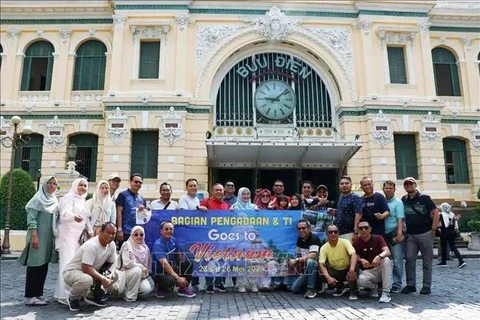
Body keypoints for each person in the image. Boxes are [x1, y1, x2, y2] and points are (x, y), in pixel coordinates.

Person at [18, 176, 59, 306]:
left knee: (43, 265)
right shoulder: (37, 199)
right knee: (34, 264)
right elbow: (32, 218)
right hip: (38, 236)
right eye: (49, 183)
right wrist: (34, 236)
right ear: (44, 185)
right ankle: (30, 296)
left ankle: (38, 294)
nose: (52, 186)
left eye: (54, 184)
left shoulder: (53, 200)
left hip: (48, 238)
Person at [63, 222, 118, 312]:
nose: (111, 236)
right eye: (108, 232)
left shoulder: (111, 244)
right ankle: (72, 298)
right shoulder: (91, 246)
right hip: (72, 272)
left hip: (90, 271)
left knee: (115, 275)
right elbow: (86, 268)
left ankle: (92, 297)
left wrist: (110, 274)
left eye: (113, 233)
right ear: (101, 232)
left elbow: (113, 262)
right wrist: (103, 279)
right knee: (87, 279)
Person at [401, 177, 440, 295]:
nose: (409, 186)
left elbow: (436, 213)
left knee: (427, 261)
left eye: (411, 184)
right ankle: (411, 284)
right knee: (409, 260)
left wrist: (433, 229)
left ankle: (426, 286)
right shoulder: (404, 199)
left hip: (425, 233)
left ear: (415, 185)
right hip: (410, 235)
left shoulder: (425, 198)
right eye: (406, 184)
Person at [54, 178, 89, 305]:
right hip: (67, 237)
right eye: (80, 185)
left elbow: (86, 219)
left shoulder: (83, 201)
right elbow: (65, 213)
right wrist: (74, 216)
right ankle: (64, 295)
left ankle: (72, 293)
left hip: (78, 238)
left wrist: (89, 231)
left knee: (75, 267)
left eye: (85, 186)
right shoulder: (69, 197)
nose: (83, 188)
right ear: (75, 185)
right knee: (66, 265)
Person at [152, 221, 196, 299]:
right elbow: (164, 263)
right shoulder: (158, 244)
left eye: (171, 229)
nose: (169, 231)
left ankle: (183, 288)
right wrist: (178, 278)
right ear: (161, 231)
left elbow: (179, 254)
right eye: (166, 229)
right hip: (160, 271)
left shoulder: (173, 240)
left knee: (187, 263)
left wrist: (182, 272)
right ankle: (160, 288)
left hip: (172, 266)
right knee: (170, 280)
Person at [353, 220, 392, 303]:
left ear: (370, 229)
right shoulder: (356, 242)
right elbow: (353, 256)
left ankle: (386, 292)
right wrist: (360, 260)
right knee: (360, 280)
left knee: (386, 260)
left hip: (380, 268)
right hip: (368, 271)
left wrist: (379, 257)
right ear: (358, 230)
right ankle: (374, 287)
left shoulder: (378, 238)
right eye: (361, 228)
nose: (363, 230)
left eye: (366, 227)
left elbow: (387, 251)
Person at [200, 183, 229, 293]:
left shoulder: (226, 205)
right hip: (208, 237)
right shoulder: (206, 202)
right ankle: (209, 284)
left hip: (221, 237)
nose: (218, 192)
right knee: (208, 260)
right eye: (216, 190)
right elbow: (196, 214)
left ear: (223, 192)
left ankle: (218, 283)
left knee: (221, 259)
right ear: (212, 192)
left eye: (220, 190)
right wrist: (200, 208)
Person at [111, 225, 153, 301]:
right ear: (131, 235)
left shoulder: (145, 248)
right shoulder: (127, 245)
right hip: (126, 272)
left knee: (146, 290)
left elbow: (148, 266)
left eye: (141, 234)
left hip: (141, 276)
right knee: (137, 270)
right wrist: (140, 266)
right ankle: (130, 296)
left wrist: (146, 274)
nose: (139, 236)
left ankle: (129, 291)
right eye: (136, 234)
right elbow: (127, 263)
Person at [319, 224, 358, 300]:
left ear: (338, 233)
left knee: (354, 266)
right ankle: (339, 287)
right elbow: (321, 264)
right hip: (335, 270)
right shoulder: (324, 247)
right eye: (330, 232)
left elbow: (353, 254)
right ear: (327, 234)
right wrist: (328, 278)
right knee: (321, 274)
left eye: (335, 232)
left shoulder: (345, 242)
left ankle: (353, 290)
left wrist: (352, 269)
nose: (333, 234)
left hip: (347, 268)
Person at [382, 180, 405, 293]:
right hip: (383, 235)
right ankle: (384, 282)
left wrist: (400, 234)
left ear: (394, 189)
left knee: (397, 260)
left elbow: (400, 219)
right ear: (383, 189)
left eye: (391, 188)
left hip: (394, 233)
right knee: (384, 260)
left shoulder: (398, 202)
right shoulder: (381, 201)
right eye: (386, 188)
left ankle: (397, 283)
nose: (388, 190)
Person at [289, 220, 321, 299]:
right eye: (299, 228)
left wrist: (296, 260)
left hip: (318, 269)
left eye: (303, 228)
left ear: (309, 229)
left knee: (310, 261)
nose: (301, 230)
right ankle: (317, 286)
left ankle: (311, 289)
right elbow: (299, 255)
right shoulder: (299, 239)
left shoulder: (314, 238)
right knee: (294, 289)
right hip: (307, 271)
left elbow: (313, 255)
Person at [116, 173, 147, 243]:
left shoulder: (142, 198)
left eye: (140, 182)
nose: (138, 184)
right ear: (130, 182)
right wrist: (119, 230)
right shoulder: (123, 195)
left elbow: (144, 216)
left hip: (138, 233)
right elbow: (119, 213)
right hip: (125, 232)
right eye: (136, 182)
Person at [438, 203, 466, 268]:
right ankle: (459, 260)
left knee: (444, 247)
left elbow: (439, 224)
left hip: (444, 232)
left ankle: (445, 262)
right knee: (453, 247)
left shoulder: (441, 214)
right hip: (451, 232)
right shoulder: (452, 214)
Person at [335, 176, 363, 241]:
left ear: (351, 184)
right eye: (342, 184)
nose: (344, 185)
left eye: (347, 183)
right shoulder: (341, 197)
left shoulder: (355, 197)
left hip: (350, 233)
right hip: (339, 232)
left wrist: (355, 231)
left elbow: (359, 214)